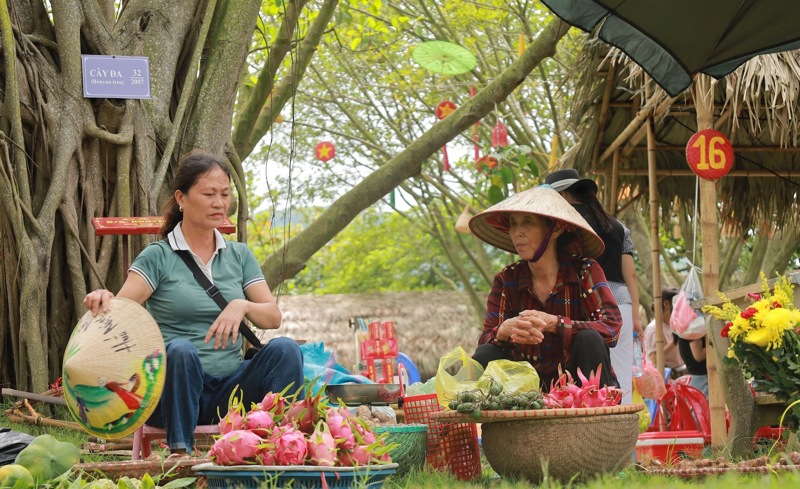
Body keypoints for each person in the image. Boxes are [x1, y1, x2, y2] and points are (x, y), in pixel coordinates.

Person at [83, 151, 304, 457]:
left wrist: (241, 305)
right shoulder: (158, 257)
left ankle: (286, 447)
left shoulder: (239, 256)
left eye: (225, 194)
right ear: (181, 198)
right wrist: (104, 299)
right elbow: (121, 312)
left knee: (286, 349)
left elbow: (272, 317)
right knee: (181, 350)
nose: (219, 203)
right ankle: (180, 455)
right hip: (173, 395)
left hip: (231, 393)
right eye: (209, 193)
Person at [469, 185, 622, 391]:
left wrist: (554, 324)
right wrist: (504, 330)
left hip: (577, 386)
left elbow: (611, 329)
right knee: (485, 353)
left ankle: (595, 414)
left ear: (555, 229)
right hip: (526, 390)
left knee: (590, 339)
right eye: (513, 224)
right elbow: (485, 339)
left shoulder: (585, 270)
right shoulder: (507, 279)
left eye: (528, 223)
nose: (517, 233)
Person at [545, 168, 642, 404]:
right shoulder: (617, 226)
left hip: (582, 298)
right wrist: (636, 314)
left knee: (583, 374)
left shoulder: (562, 223)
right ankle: (624, 430)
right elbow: (631, 274)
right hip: (620, 302)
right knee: (620, 374)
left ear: (564, 196)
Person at [644, 288, 685, 372]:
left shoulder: (675, 323)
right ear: (666, 304)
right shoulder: (653, 329)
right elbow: (654, 359)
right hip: (665, 375)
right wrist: (674, 341)